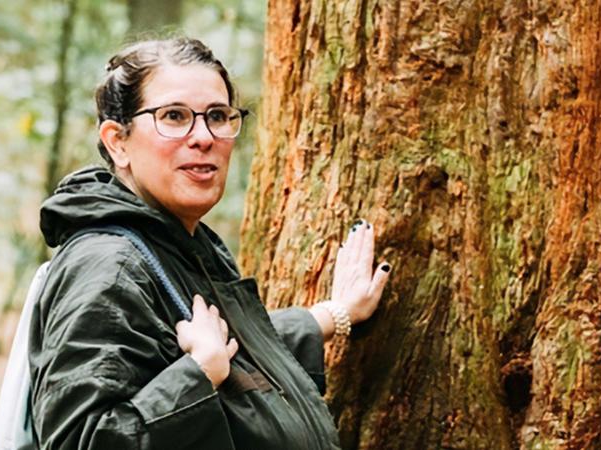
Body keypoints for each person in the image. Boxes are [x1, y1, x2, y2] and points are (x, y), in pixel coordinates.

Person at [29, 37, 391, 450]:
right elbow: (80, 441)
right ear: (118, 141)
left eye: (217, 116)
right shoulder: (110, 266)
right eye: (174, 116)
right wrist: (199, 373)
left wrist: (334, 315)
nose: (203, 136)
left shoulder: (179, 245)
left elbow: (230, 349)